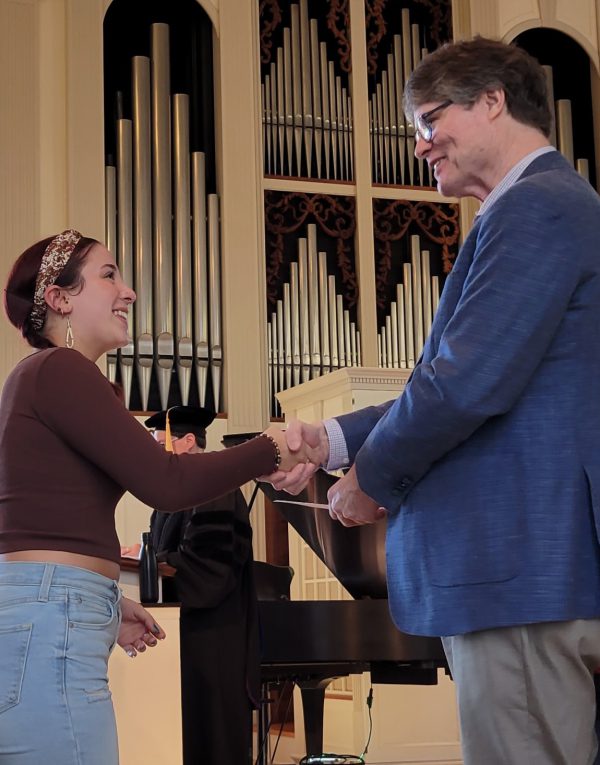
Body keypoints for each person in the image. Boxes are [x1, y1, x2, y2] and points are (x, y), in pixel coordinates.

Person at [267, 37, 600, 765]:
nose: (419, 144)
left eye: (428, 119)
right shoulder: (533, 210)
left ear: (492, 100)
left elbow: (463, 384)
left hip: (516, 562)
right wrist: (330, 439)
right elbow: (454, 379)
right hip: (521, 567)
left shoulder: (536, 207)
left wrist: (371, 479)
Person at [0, 230, 309, 764]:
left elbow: (30, 522)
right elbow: (167, 484)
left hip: (51, 604)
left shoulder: (41, 378)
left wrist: (99, 597)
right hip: (51, 611)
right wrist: (271, 448)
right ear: (59, 298)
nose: (130, 292)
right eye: (108, 274)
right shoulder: (60, 369)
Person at [145, 405, 261, 765]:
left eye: (161, 443)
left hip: (214, 640)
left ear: (188, 441)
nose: (153, 453)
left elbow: (210, 568)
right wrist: (146, 556)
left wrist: (156, 560)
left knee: (214, 736)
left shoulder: (214, 489)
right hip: (188, 634)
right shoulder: (174, 494)